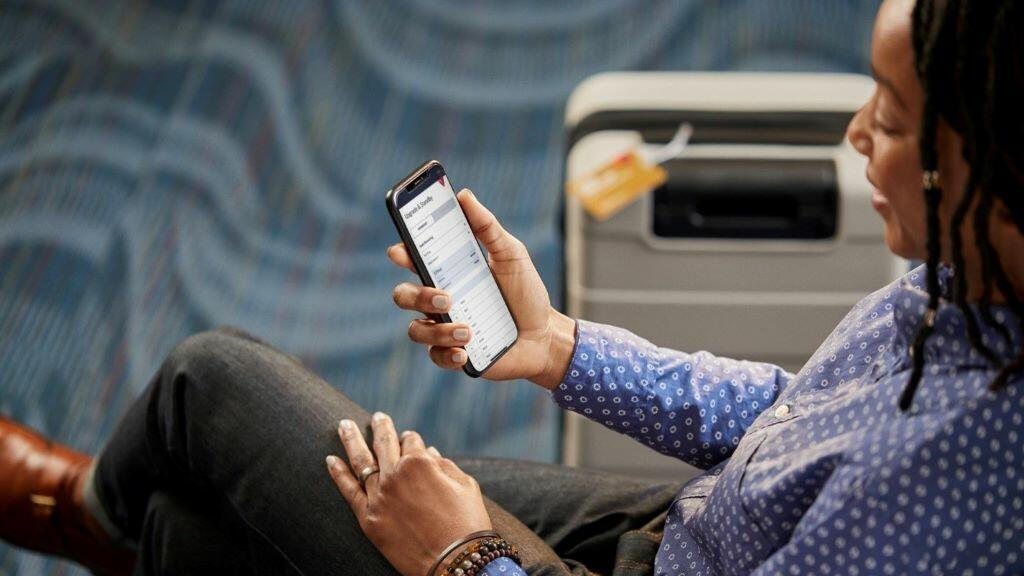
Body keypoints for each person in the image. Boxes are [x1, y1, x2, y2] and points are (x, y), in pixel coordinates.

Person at [1, 0, 1022, 573]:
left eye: (887, 119)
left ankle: (79, 511)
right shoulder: (967, 282)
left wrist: (463, 556)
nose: (854, 135)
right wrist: (562, 348)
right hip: (686, 527)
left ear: (993, 170)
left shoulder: (968, 483)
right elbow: (791, 414)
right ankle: (113, 524)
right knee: (189, 537)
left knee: (208, 382)